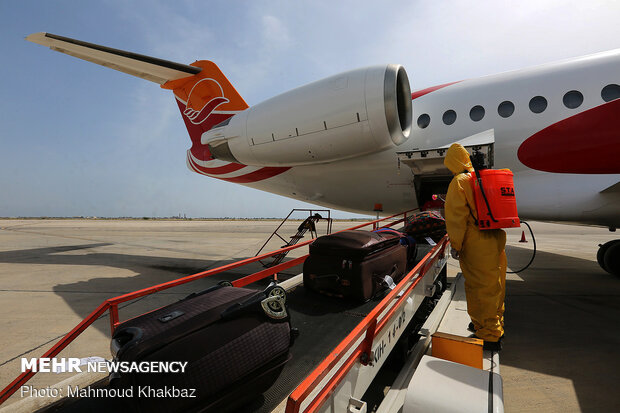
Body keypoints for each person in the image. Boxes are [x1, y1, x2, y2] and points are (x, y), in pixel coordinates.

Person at [443, 143, 507, 351]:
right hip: (496, 236)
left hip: (476, 241)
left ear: (452, 163)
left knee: (479, 287)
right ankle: (489, 324)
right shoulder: (481, 177)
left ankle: (489, 335)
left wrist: (456, 244)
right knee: (495, 285)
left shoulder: (459, 181)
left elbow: (456, 218)